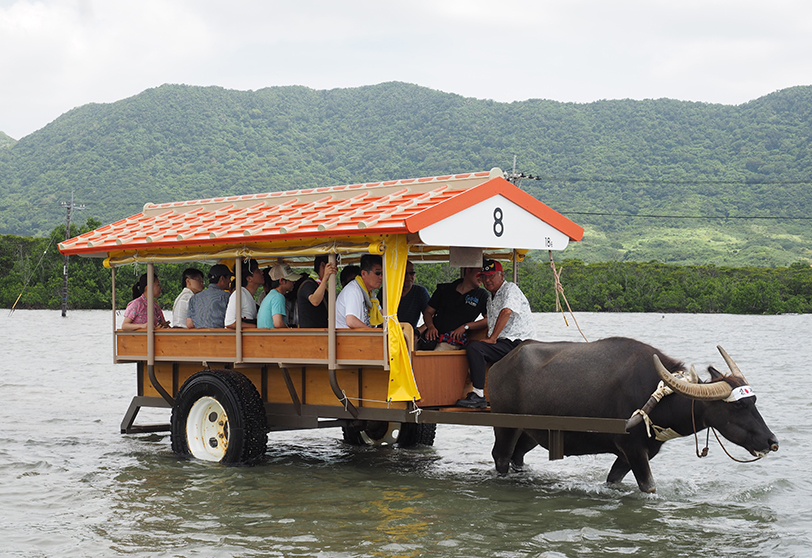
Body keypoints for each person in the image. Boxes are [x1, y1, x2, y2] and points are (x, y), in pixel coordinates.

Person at [456, 260, 536, 408]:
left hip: (518, 343)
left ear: (502, 275)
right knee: (472, 347)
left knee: (475, 349)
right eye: (484, 277)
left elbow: (506, 311)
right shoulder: (490, 298)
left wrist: (492, 339)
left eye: (491, 276)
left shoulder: (510, 289)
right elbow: (490, 322)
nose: (487, 280)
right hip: (503, 342)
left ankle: (478, 394)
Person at [420, 267, 488, 350]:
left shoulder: (482, 295)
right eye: (480, 272)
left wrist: (465, 327)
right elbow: (428, 312)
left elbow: (488, 319)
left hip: (455, 341)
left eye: (485, 275)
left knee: (437, 352)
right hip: (432, 337)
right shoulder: (444, 289)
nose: (482, 277)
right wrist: (431, 327)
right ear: (468, 270)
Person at [335, 254, 383, 329]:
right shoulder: (353, 290)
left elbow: (381, 314)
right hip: (347, 339)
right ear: (363, 273)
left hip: (360, 338)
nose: (381, 277)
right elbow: (351, 321)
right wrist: (373, 333)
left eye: (383, 274)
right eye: (378, 273)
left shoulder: (370, 293)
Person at [297, 255, 338, 328]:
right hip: (311, 334)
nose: (336, 270)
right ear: (323, 265)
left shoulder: (321, 285)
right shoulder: (308, 284)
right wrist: (325, 278)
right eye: (333, 268)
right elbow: (315, 301)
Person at [186, 264, 232, 329]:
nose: (230, 281)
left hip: (199, 337)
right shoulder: (227, 296)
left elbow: (189, 324)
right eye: (229, 278)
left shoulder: (194, 298)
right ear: (222, 278)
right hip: (219, 337)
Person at [258, 263, 301, 328]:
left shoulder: (271, 295)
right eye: (291, 280)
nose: (293, 282)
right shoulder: (278, 297)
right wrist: (290, 331)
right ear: (282, 281)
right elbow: (278, 323)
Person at [225, 259, 263, 329]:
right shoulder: (239, 294)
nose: (261, 272)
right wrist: (256, 326)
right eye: (257, 271)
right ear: (249, 278)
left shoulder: (248, 295)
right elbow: (230, 323)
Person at [395, 260, 430, 329]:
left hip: (410, 334)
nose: (408, 276)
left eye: (412, 273)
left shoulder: (420, 292)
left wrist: (418, 332)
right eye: (404, 273)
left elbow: (431, 315)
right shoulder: (385, 291)